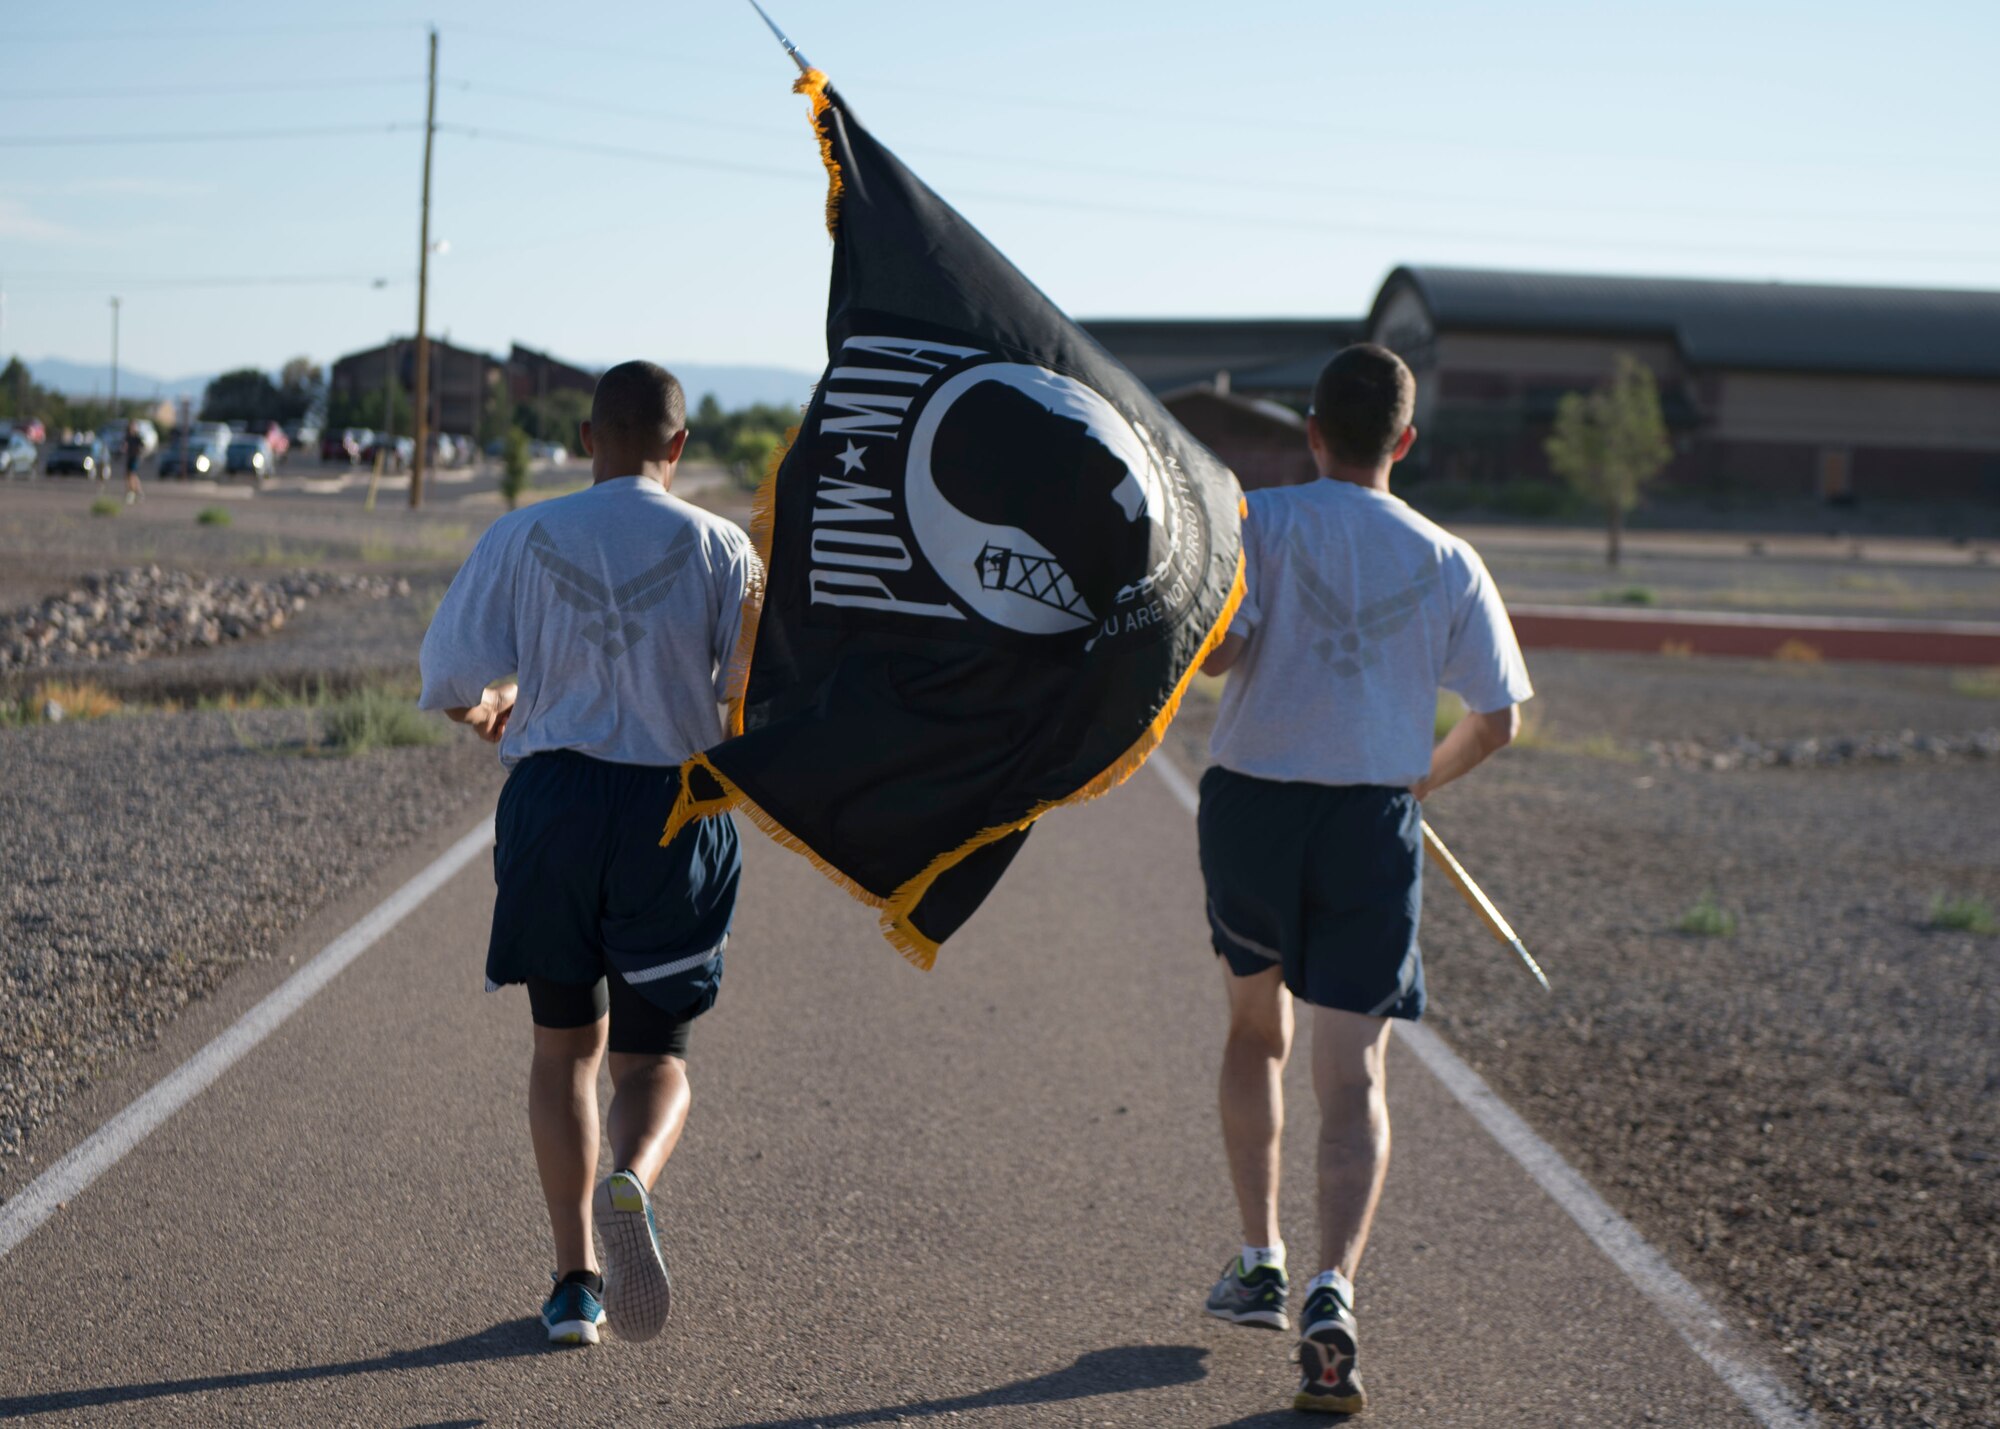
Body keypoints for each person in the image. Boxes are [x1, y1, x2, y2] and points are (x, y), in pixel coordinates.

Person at [1195, 344, 1532, 1414]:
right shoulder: (1447, 557)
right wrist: (1414, 786)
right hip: (1369, 825)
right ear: (1404, 439)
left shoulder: (1261, 521)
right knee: (1354, 1080)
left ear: (1310, 430)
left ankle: (1258, 1260)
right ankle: (1331, 1290)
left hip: (1250, 809)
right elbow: (1500, 718)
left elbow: (1212, 656)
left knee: (1255, 1035)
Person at [419, 361, 758, 1348]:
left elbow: (451, 674)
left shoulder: (522, 531)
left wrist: (492, 710)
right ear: (678, 447)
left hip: (553, 803)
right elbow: (746, 702)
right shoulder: (722, 545)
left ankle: (575, 1281)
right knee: (654, 1059)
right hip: (672, 807)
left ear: (583, 437)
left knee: (564, 1050)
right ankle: (633, 1177)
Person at [122, 421, 145, 505]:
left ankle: (133, 493)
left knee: (132, 475)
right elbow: (124, 446)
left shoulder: (137, 437)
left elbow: (142, 446)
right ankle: (136, 492)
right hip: (129, 458)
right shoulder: (127, 437)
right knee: (128, 475)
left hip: (135, 458)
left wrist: (140, 454)